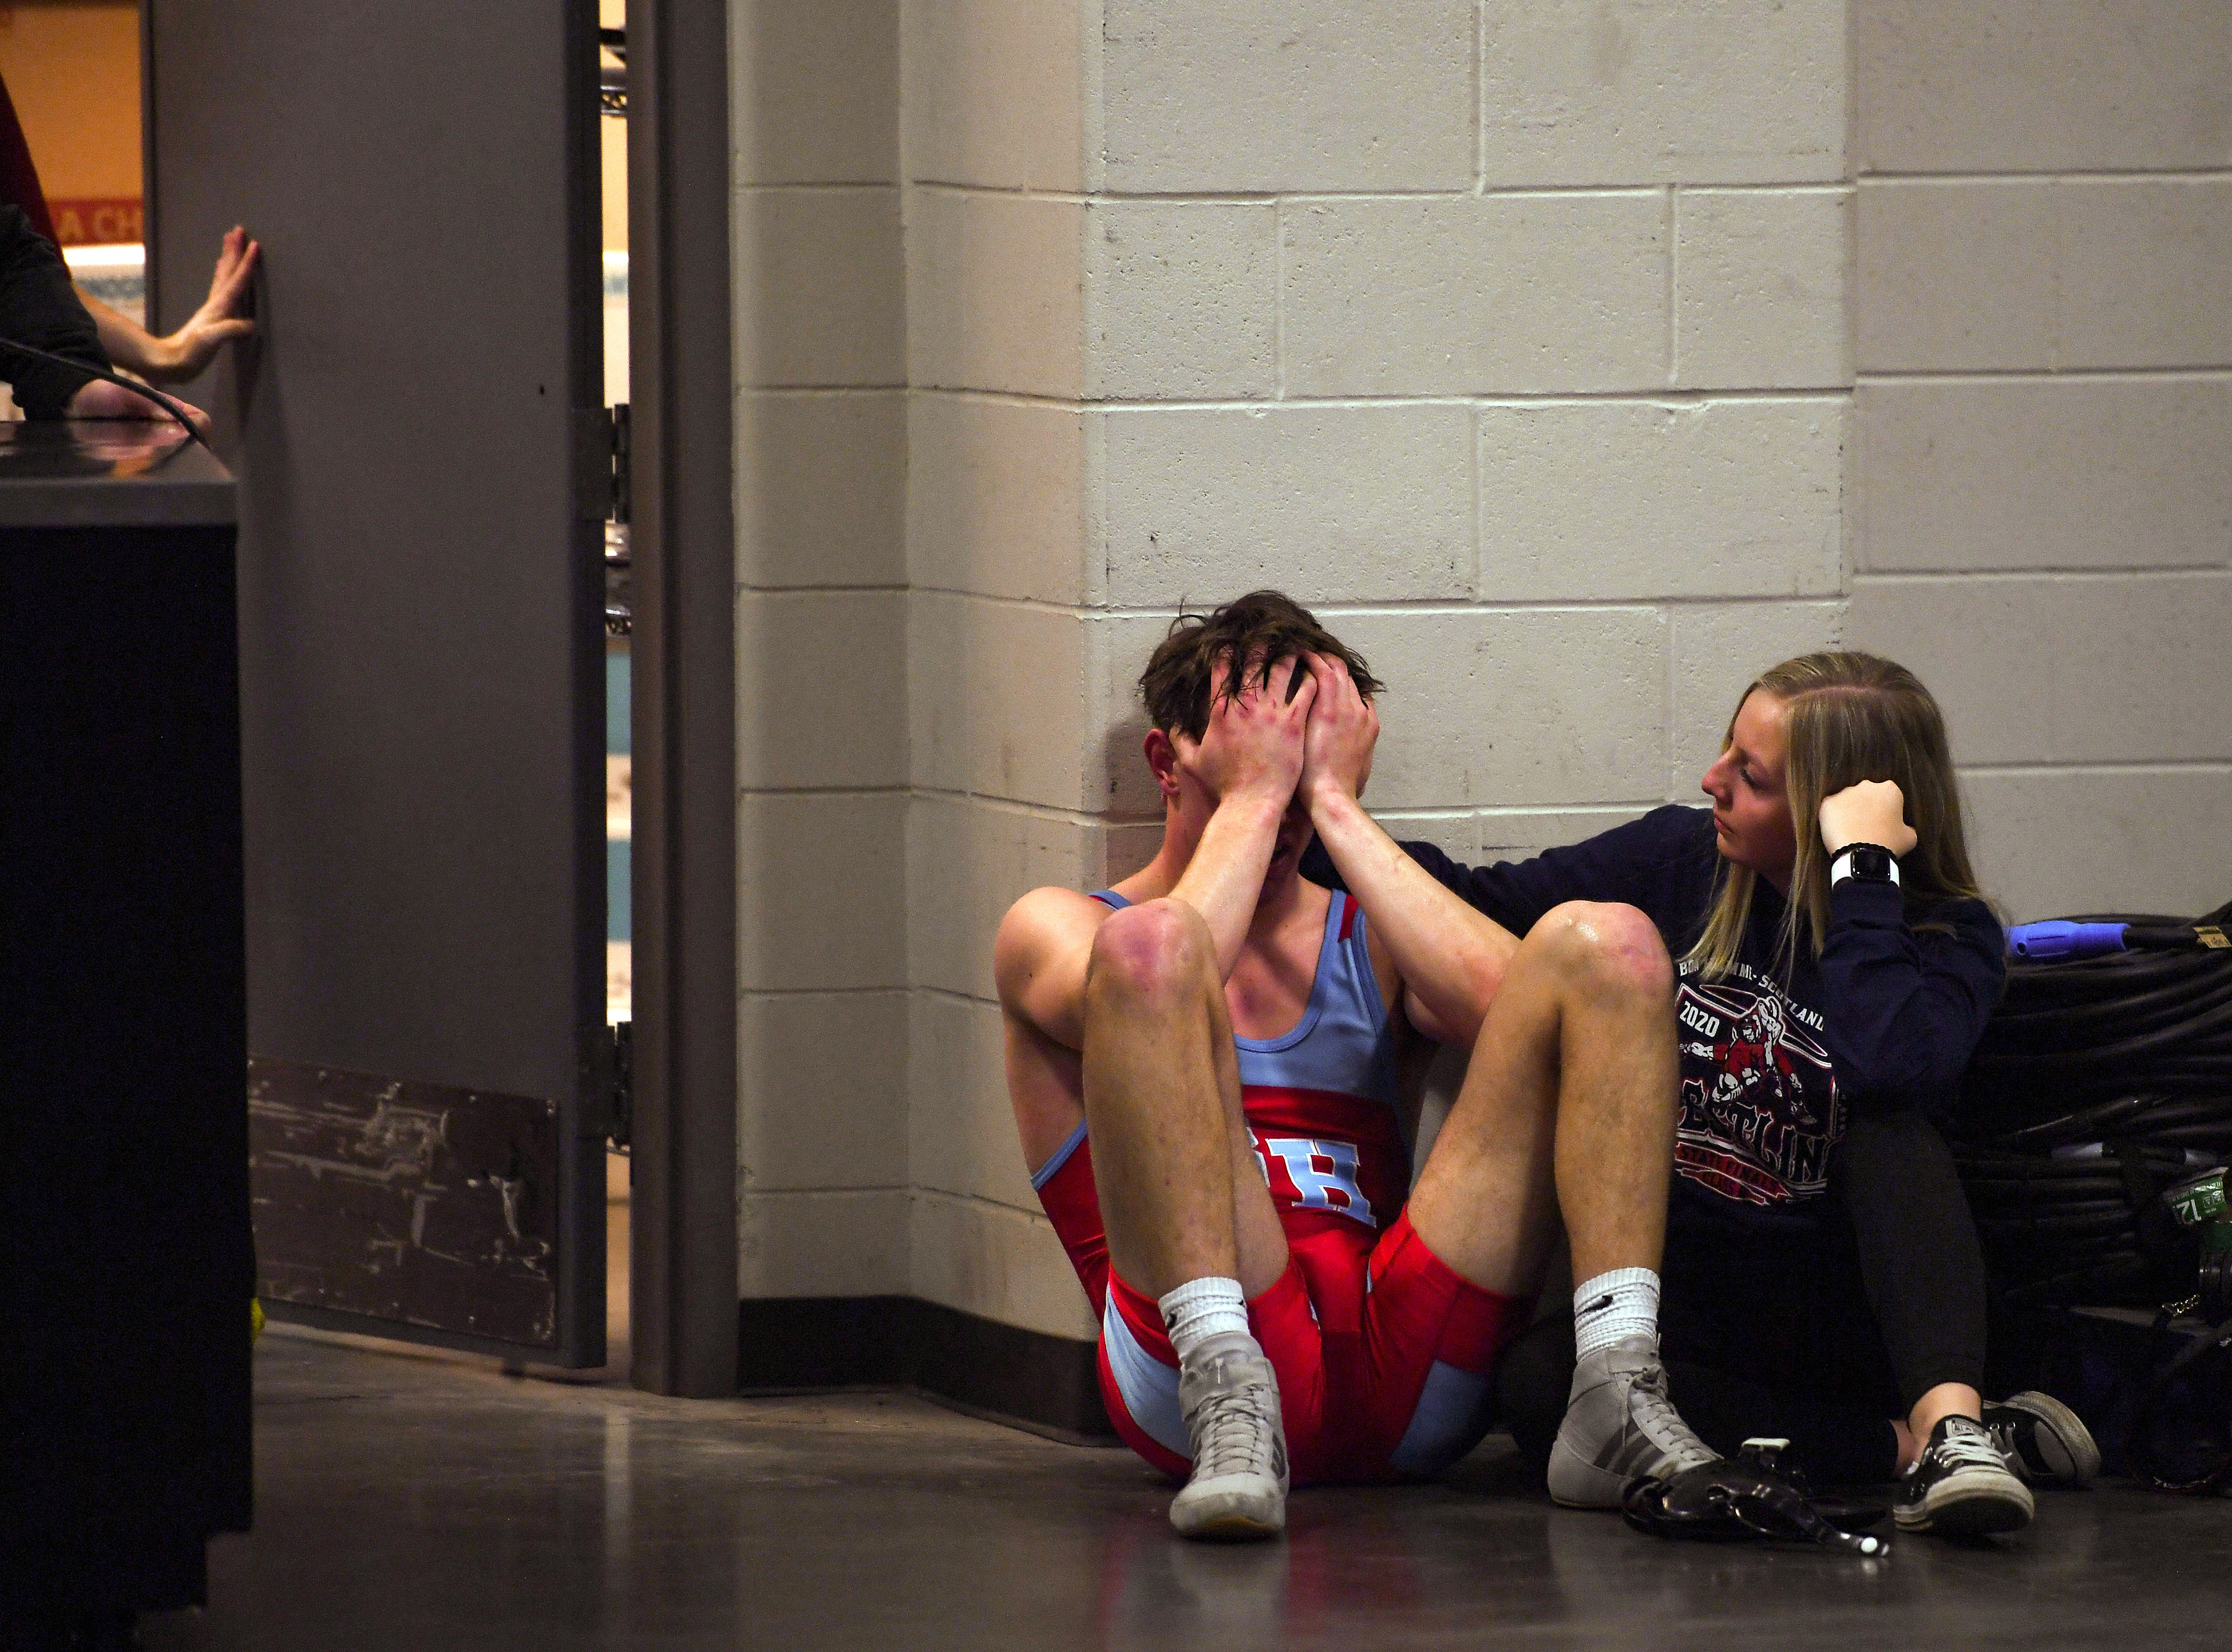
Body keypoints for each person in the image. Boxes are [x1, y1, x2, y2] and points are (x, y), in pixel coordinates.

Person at [995, 591, 1722, 1540]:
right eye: (1253, 770)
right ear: (1167, 763)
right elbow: (1166, 977)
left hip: (1405, 1369)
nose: (1281, 805)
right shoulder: (1056, 929)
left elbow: (1561, 1031)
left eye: (1300, 776)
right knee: (1151, 949)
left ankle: (1617, 1384)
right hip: (1194, 1380)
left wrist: (1335, 806)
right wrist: (1257, 803)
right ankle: (1229, 1379)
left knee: (1616, 947)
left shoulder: (1364, 934)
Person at [1367, 652, 2098, 1537]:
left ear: (1826, 810)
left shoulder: (1947, 934)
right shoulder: (1681, 860)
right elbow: (1480, 896)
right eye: (1727, 751)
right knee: (1533, 1385)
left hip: (1854, 1316)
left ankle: (1951, 1422)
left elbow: (1886, 1064)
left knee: (1885, 1123)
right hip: (1705, 1311)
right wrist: (1314, 812)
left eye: (1749, 776)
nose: (1713, 780)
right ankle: (1911, 1451)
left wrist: (1861, 872)